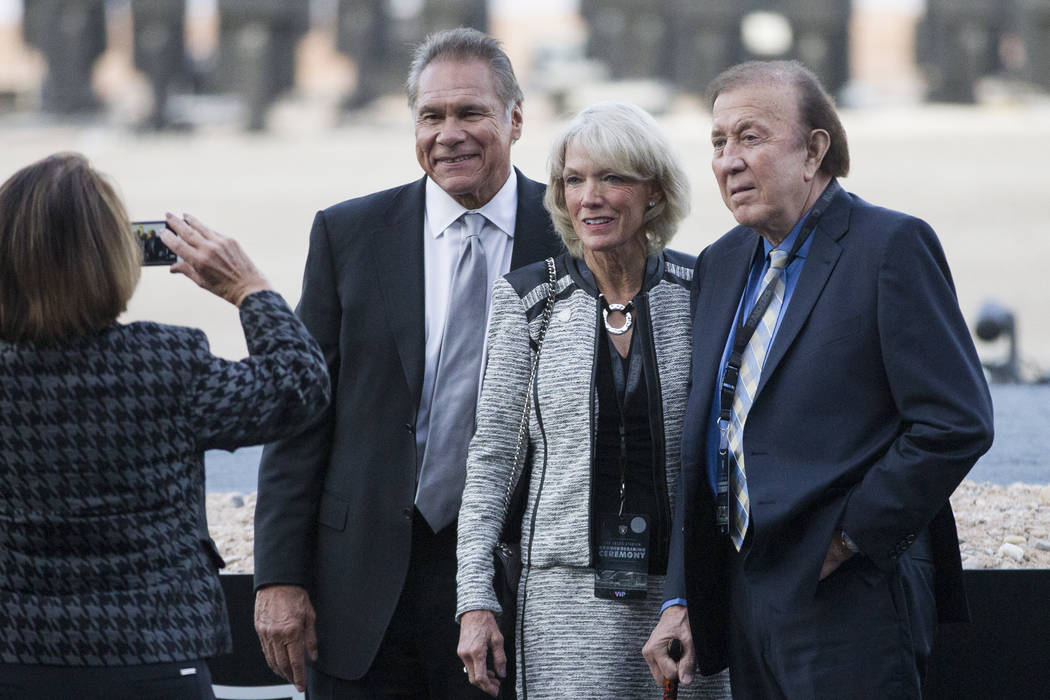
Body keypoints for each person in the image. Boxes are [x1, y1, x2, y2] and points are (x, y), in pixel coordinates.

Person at [643, 60, 994, 698]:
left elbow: (956, 421)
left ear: (814, 150)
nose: (728, 161)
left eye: (750, 137)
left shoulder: (890, 246)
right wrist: (683, 594)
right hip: (744, 595)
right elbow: (709, 443)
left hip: (849, 596)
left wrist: (849, 536)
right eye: (718, 143)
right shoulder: (721, 263)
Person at [252, 28, 563, 698]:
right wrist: (279, 575)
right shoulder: (349, 234)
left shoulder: (572, 232)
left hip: (514, 588)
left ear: (515, 118)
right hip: (357, 588)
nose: (449, 133)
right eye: (432, 116)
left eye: (471, 113)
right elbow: (302, 416)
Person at [0, 152, 329, 700]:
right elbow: (299, 385)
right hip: (152, 655)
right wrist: (249, 288)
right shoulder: (165, 362)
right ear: (113, 258)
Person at [455, 101, 730, 699]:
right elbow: (494, 456)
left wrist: (704, 588)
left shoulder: (703, 291)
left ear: (653, 191)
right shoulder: (528, 300)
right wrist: (474, 599)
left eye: (612, 178)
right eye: (574, 180)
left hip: (685, 594)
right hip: (561, 600)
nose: (590, 197)